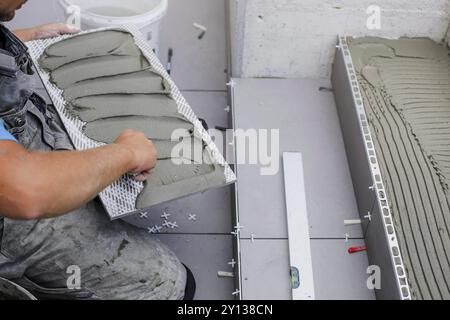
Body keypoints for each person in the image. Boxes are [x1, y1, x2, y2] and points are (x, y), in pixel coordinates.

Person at [0, 0, 188, 300]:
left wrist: (23, 39)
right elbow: (24, 191)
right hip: (12, 212)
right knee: (165, 284)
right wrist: (126, 154)